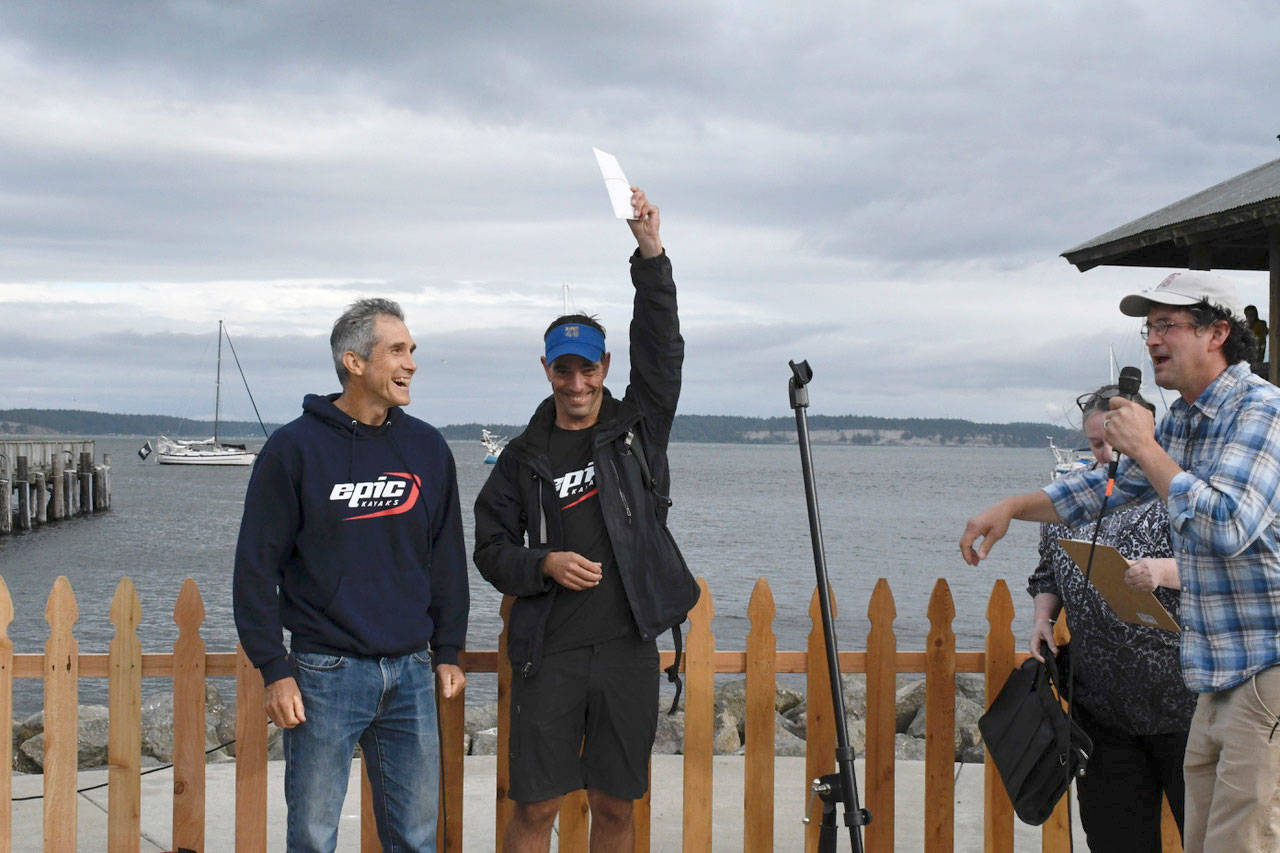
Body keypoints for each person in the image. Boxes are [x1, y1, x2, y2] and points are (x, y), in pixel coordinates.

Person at [960, 270, 1280, 852]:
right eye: (1148, 327)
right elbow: (1095, 493)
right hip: (1213, 677)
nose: (1153, 340)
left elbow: (1227, 524)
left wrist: (1147, 446)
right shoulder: (1185, 418)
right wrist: (1012, 506)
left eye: (1168, 326)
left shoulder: (1261, 412)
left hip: (1264, 673)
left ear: (1217, 333)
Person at [473, 187, 698, 852]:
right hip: (551, 654)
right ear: (547, 369)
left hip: (629, 649)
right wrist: (541, 564)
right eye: (563, 368)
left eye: (587, 367)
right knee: (535, 809)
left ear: (606, 366)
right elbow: (487, 547)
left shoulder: (639, 430)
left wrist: (649, 253)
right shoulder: (521, 458)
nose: (576, 382)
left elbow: (663, 349)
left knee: (616, 808)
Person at [233, 298, 469, 852]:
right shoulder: (294, 449)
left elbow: (447, 559)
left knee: (414, 837)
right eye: (397, 350)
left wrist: (450, 649)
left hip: (411, 672)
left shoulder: (427, 448)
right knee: (313, 838)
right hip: (324, 673)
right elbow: (254, 569)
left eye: (412, 350)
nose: (411, 363)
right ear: (354, 362)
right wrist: (275, 668)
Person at [1028, 383, 1194, 850]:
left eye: (1110, 442)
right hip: (1102, 708)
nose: (1103, 454)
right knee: (1115, 840)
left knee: (1208, 836)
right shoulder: (1072, 499)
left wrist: (1163, 573)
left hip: (1184, 703)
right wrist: (1044, 616)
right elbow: (1048, 569)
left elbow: (1226, 562)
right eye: (1094, 443)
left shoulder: (1176, 490)